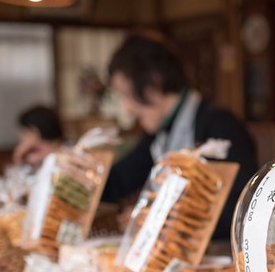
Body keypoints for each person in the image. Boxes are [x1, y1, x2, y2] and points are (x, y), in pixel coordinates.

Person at [101, 32, 259, 239]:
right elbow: (118, 182)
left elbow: (242, 208)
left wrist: (159, 218)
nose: (128, 108)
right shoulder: (159, 136)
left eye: (127, 95)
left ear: (153, 82)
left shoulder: (219, 125)